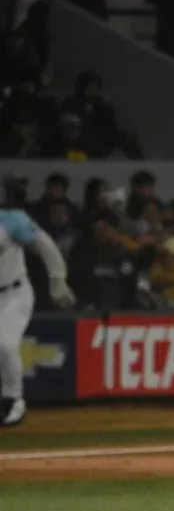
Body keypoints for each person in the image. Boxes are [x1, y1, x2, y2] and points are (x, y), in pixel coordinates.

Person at [0, 175, 75, 427]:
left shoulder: (12, 219)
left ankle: (13, 401)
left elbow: (46, 247)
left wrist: (58, 281)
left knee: (5, 344)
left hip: (13, 293)